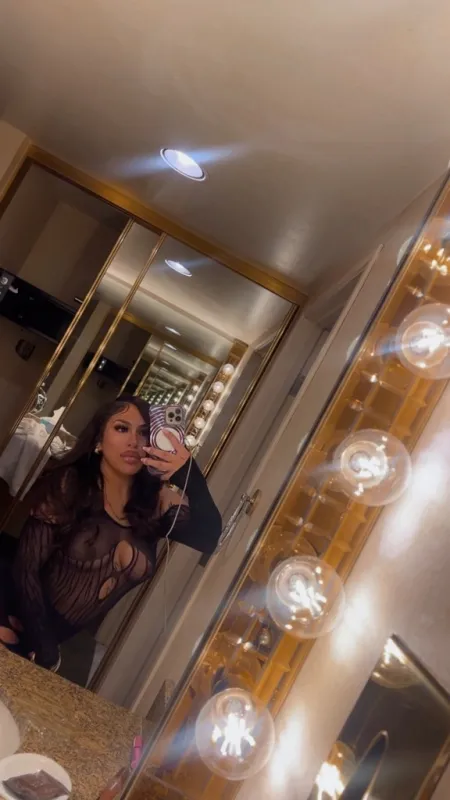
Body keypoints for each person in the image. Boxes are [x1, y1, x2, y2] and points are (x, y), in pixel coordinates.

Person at [0, 395, 222, 670]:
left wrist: (188, 473)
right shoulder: (71, 483)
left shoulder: (154, 506)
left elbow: (209, 537)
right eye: (121, 428)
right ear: (98, 441)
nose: (134, 441)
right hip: (12, 613)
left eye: (144, 433)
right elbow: (27, 568)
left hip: (45, 644)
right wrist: (45, 648)